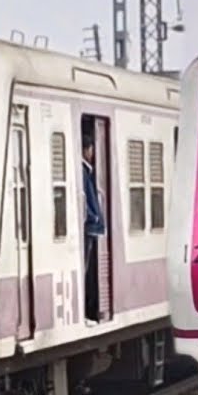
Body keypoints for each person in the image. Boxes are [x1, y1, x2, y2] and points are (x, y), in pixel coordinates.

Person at [82, 137, 105, 323]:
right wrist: (94, 217)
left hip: (90, 227)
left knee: (88, 268)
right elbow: (86, 197)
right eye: (91, 150)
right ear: (86, 150)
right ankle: (86, 309)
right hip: (89, 228)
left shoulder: (85, 171)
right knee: (85, 268)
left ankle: (87, 308)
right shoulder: (83, 172)